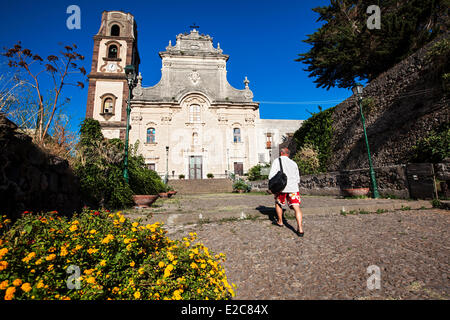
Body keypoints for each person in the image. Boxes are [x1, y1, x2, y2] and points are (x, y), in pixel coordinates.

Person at [268, 147, 304, 237]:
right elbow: (297, 179)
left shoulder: (277, 161)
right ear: (288, 154)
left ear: (281, 153)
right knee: (296, 207)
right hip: (293, 188)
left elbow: (271, 175)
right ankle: (300, 229)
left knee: (278, 203)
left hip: (282, 188)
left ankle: (280, 221)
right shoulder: (294, 163)